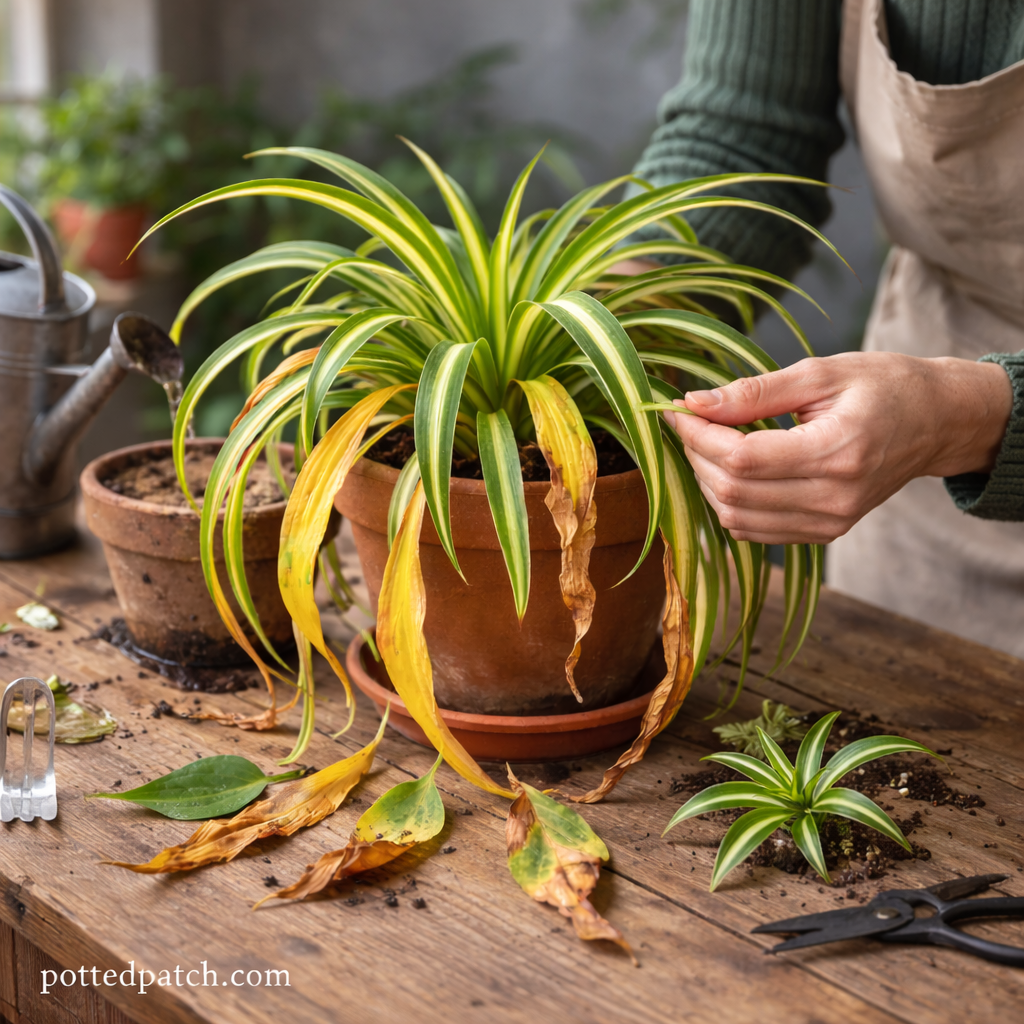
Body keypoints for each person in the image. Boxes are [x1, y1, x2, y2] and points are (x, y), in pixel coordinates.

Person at [625, 0, 1024, 657]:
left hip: (930, 420)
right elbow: (742, 138)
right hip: (919, 505)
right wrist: (611, 323)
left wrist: (964, 420)